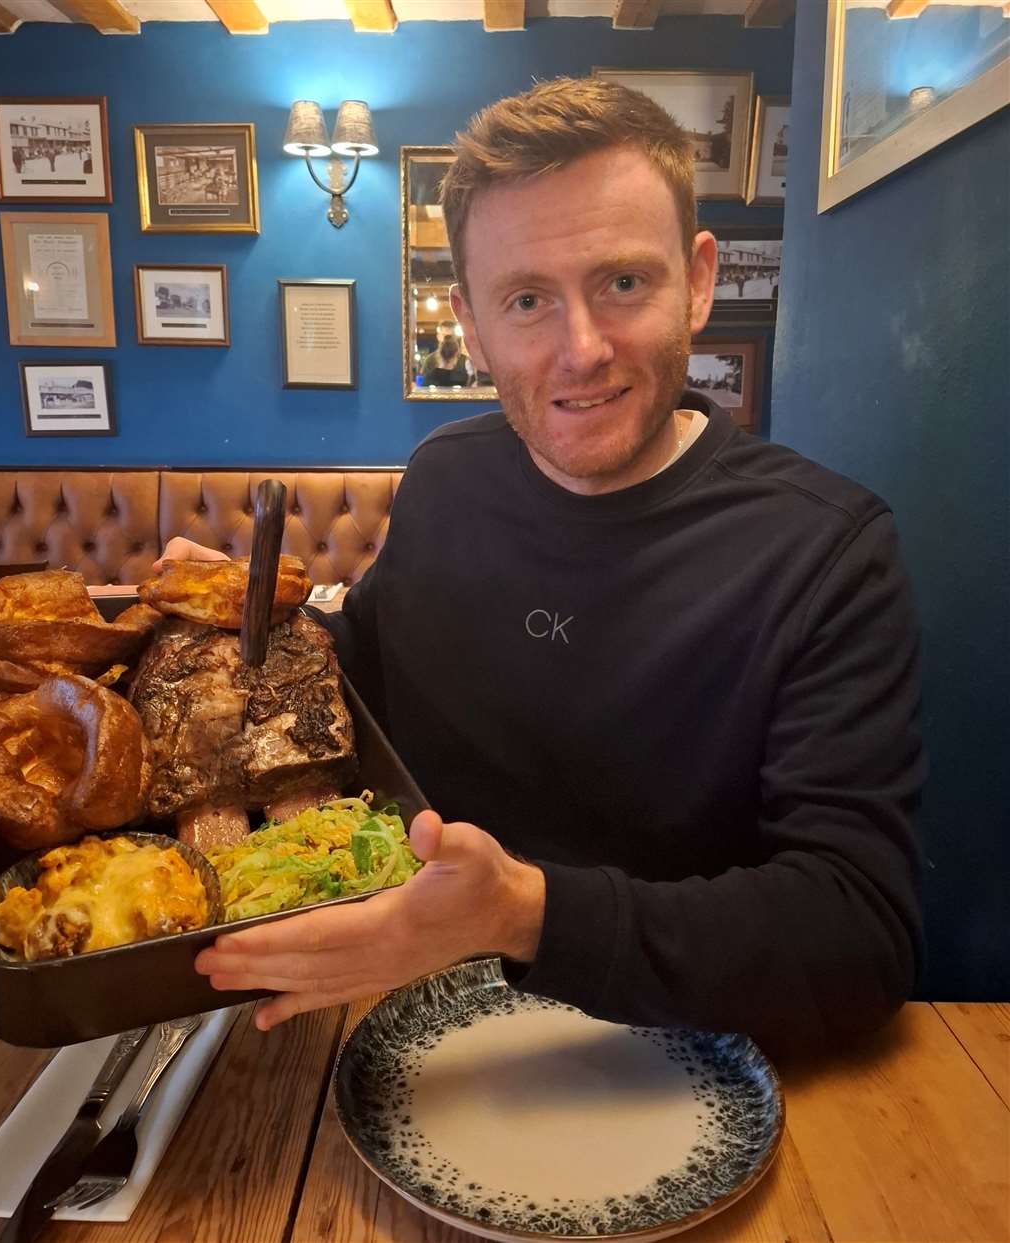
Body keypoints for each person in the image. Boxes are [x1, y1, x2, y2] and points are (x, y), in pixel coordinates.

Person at [185, 77, 923, 1055]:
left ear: (697, 282)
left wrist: (521, 913)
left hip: (681, 1064)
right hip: (388, 1018)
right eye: (527, 299)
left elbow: (857, 939)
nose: (581, 349)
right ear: (473, 321)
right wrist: (229, 625)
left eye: (623, 283)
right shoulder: (446, 476)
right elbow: (358, 673)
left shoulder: (828, 552)